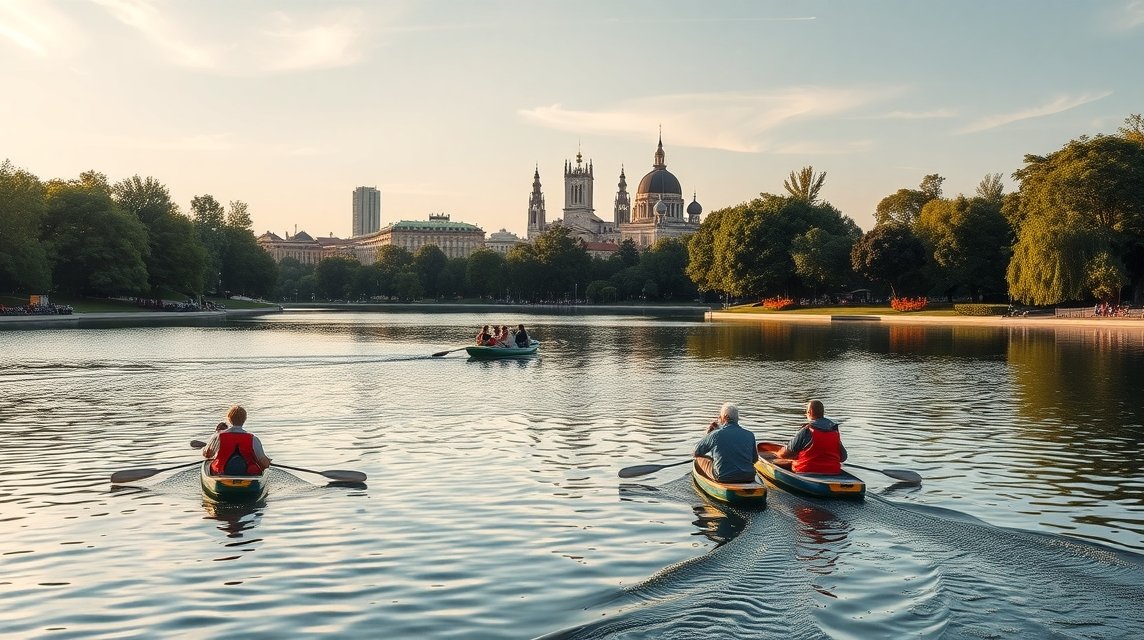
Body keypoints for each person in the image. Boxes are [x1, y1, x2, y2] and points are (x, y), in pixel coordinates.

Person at [772, 399, 847, 475]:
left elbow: (786, 453)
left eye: (806, 411)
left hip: (806, 470)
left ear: (809, 412)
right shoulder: (834, 431)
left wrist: (777, 454)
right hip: (833, 471)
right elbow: (843, 457)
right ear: (822, 413)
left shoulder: (807, 430)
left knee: (775, 461)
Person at [693, 403, 758, 483]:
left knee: (698, 459)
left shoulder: (715, 434)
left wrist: (708, 434)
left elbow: (696, 452)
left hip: (723, 477)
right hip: (748, 476)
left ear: (726, 417)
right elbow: (755, 459)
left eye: (720, 416)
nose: (719, 418)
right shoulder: (750, 434)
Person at [202, 405, 272, 476]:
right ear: (245, 419)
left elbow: (207, 455)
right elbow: (264, 464)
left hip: (221, 473)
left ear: (229, 419)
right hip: (248, 475)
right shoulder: (253, 439)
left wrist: (205, 450)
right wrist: (268, 461)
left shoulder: (217, 436)